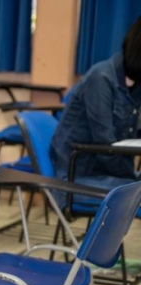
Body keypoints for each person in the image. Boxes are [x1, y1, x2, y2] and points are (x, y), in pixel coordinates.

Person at [50, 16, 141, 200]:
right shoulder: (101, 79)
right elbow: (105, 146)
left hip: (108, 174)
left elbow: (131, 135)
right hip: (77, 177)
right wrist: (132, 177)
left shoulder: (136, 87)